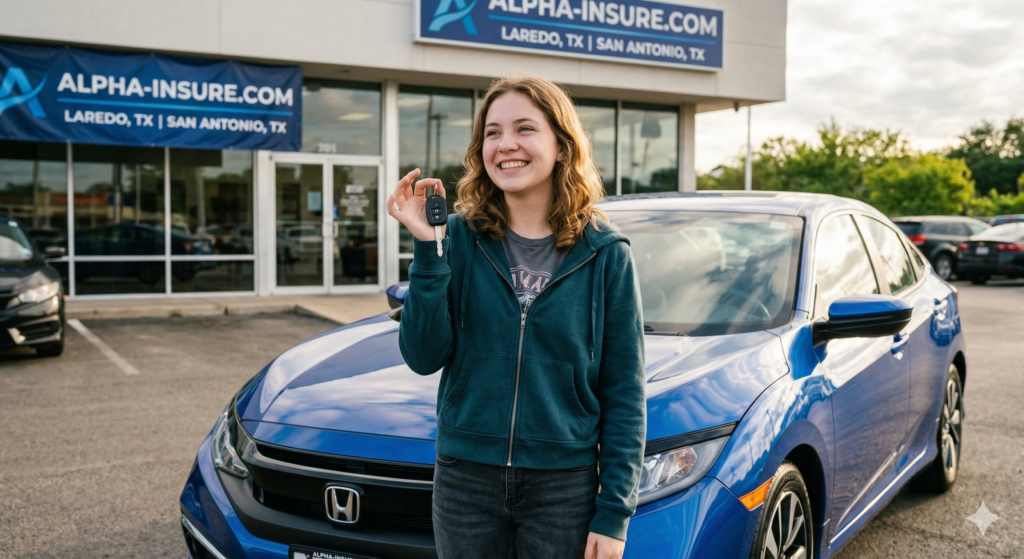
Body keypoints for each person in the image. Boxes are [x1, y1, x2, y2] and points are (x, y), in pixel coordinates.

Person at [387, 73, 645, 559]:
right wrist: (427, 248)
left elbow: (625, 393)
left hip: (563, 490)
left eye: (525, 129)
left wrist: (614, 514)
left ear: (562, 147)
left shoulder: (606, 255)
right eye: (492, 132)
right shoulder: (458, 240)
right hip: (465, 482)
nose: (506, 145)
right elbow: (423, 356)